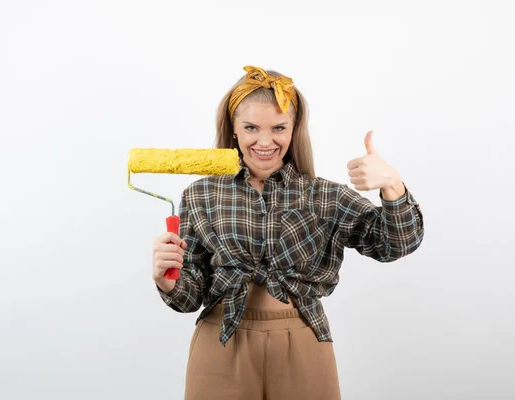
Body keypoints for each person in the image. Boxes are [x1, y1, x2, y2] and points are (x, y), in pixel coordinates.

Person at [152, 65, 424, 400]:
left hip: (304, 342)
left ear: (294, 130)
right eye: (251, 127)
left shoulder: (325, 196)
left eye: (278, 127)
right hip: (221, 343)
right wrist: (169, 280)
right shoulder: (201, 194)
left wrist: (392, 185)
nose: (264, 142)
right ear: (233, 129)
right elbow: (190, 296)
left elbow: (396, 244)